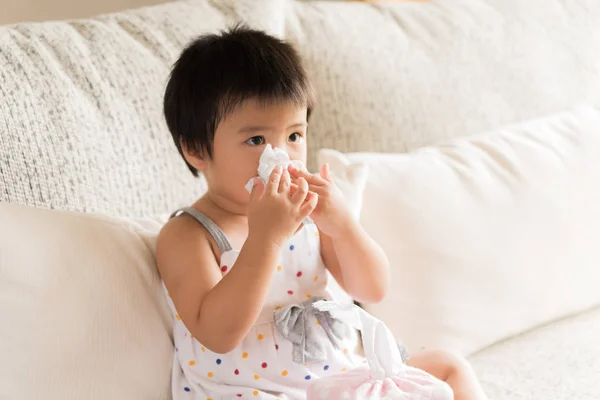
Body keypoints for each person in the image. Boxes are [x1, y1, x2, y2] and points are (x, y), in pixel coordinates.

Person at [157, 25, 488, 400]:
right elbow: (217, 334)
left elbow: (373, 288)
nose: (280, 154)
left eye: (295, 135)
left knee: (448, 366)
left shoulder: (305, 216)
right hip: (254, 392)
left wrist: (343, 226)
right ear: (196, 149)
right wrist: (266, 238)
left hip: (341, 382)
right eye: (256, 140)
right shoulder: (189, 234)